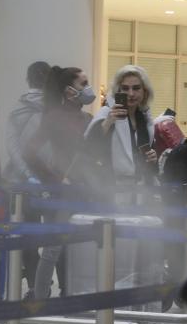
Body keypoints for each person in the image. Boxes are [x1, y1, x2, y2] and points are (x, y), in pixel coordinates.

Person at [85, 65, 163, 287]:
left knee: (139, 252)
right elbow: (89, 148)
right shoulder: (105, 114)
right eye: (125, 88)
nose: (130, 94)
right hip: (112, 195)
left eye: (136, 88)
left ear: (144, 91)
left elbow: (143, 160)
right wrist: (108, 122)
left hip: (141, 195)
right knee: (116, 252)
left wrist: (151, 160)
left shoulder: (145, 119)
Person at [23, 66, 94, 299]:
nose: (88, 88)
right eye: (83, 84)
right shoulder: (54, 117)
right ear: (69, 91)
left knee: (81, 249)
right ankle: (40, 298)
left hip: (86, 191)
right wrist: (54, 180)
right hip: (64, 193)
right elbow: (29, 152)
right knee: (53, 249)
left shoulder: (89, 119)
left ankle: (73, 294)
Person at [3, 61, 51, 298]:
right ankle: (48, 285)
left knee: (28, 238)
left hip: (22, 183)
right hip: (51, 181)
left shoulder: (18, 109)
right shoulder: (56, 110)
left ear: (28, 80)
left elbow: (12, 147)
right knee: (55, 237)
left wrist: (27, 174)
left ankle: (34, 285)